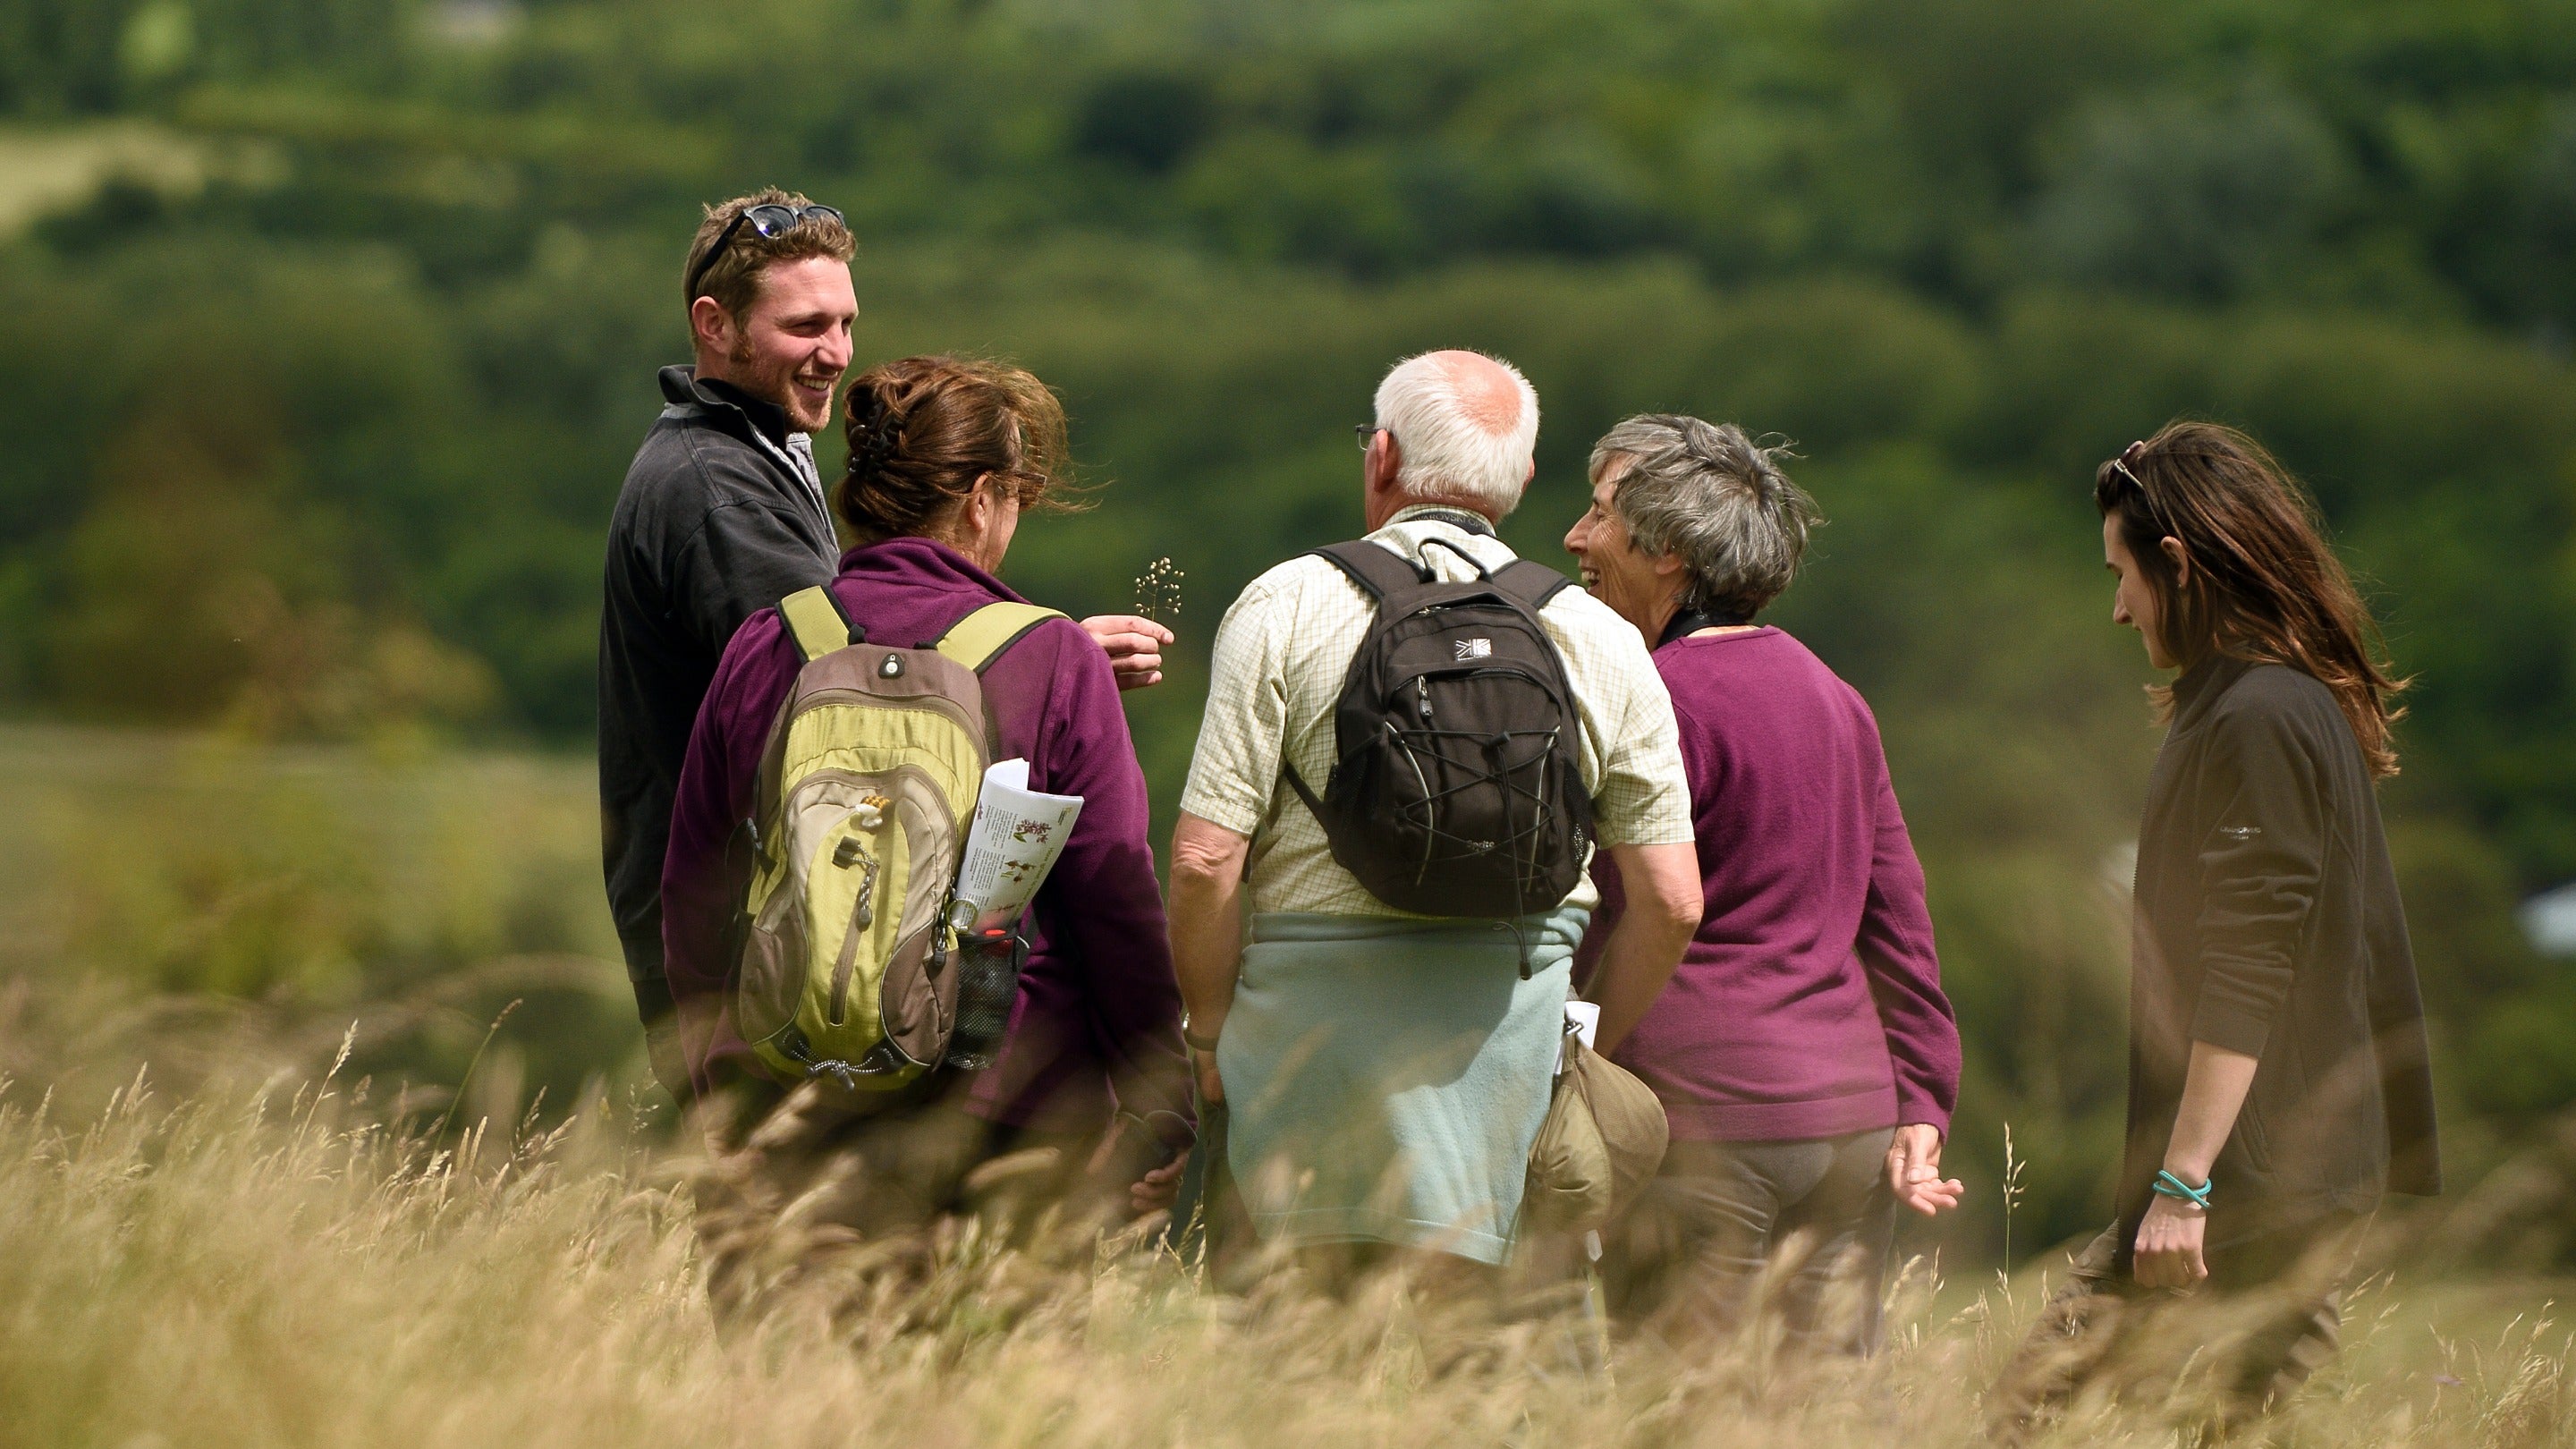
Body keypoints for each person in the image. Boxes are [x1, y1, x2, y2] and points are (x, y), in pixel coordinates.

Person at [599, 189, 1171, 1097]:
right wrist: (1033, 672)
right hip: (797, 976)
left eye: (846, 322)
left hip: (789, 959)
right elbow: (853, 687)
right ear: (714, 324)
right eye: (805, 326)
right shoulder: (723, 493)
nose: (835, 352)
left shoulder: (737, 454)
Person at [658, 355, 1196, 1308]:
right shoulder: (1051, 656)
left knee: (790, 1404)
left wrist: (717, 1084)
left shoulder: (771, 641)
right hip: (1003, 1115)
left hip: (791, 1101)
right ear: (984, 498)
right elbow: (1113, 891)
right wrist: (1159, 1101)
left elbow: (696, 880)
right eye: (1019, 493)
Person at [1167, 350, 1703, 1279]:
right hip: (1508, 1057)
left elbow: (1206, 861)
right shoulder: (1601, 638)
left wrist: (1211, 1036)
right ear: (1524, 481)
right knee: (1488, 1387)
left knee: (1292, 1386)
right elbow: (1672, 900)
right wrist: (1580, 1051)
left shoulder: (1283, 604)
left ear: (1381, 457)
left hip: (1304, 1057)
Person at [1989, 421, 2440, 1435]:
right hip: (2268, 1174)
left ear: (2179, 564)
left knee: (2023, 1418)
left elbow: (2252, 960)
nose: (2116, 608)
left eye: (2123, 575)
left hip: (2253, 1184)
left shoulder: (2262, 716)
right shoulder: (2266, 702)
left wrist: (2183, 1185)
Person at [1561, 415, 1963, 1354]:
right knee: (1824, 1412)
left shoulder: (1648, 699)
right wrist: (1925, 1100)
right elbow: (1899, 924)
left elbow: (1607, 910)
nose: (1577, 539)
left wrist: (1578, 1064)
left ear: (1667, 555)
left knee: (1682, 1410)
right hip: (1851, 1124)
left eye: (1600, 517)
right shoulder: (1839, 698)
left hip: (1699, 1122)